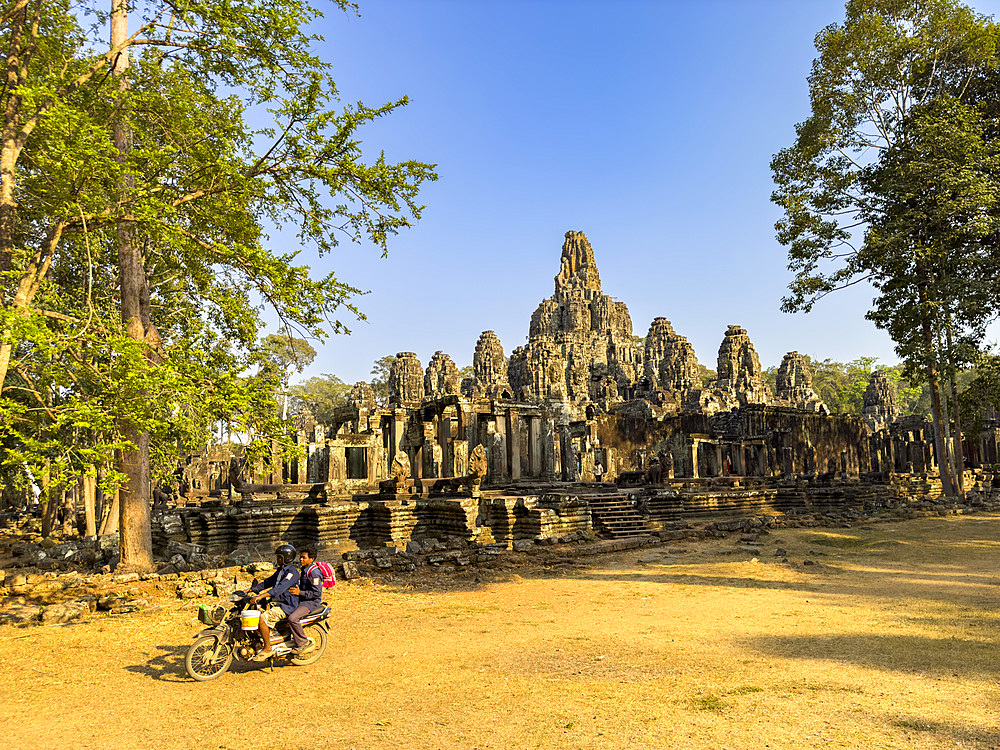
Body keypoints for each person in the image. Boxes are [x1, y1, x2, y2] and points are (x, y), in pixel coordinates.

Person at [248, 543, 300, 660]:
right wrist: (252, 589)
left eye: (279, 557)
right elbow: (268, 582)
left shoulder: (292, 573)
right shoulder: (281, 571)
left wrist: (261, 596)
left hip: (286, 606)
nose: (277, 560)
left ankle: (267, 648)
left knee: (262, 619)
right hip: (277, 603)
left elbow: (279, 589)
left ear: (286, 558)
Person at [287, 547, 324, 656]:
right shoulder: (304, 570)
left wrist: (300, 593)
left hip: (311, 602)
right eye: (300, 557)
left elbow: (317, 593)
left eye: (304, 558)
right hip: (302, 599)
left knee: (292, 618)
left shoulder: (314, 573)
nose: (301, 560)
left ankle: (303, 642)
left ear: (311, 559)